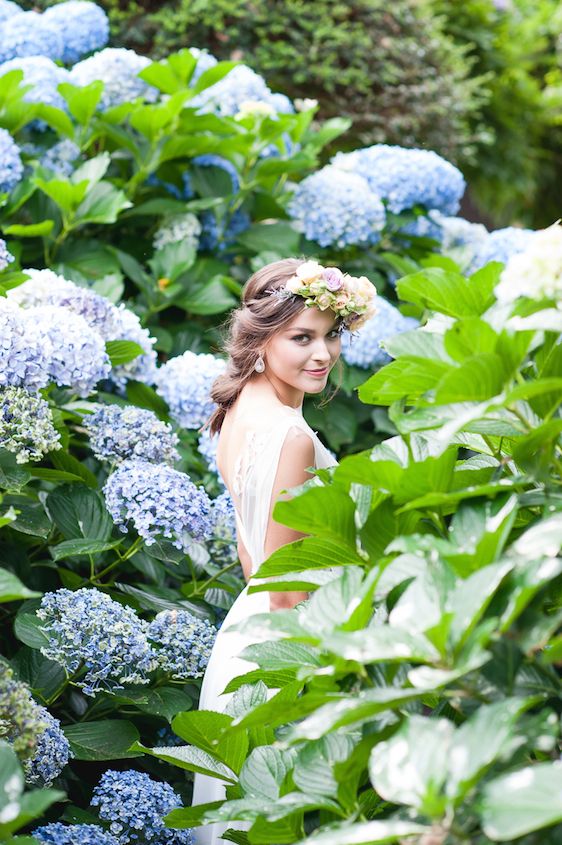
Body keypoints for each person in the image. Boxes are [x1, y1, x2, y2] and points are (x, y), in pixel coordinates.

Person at [192, 257, 377, 844]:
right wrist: (325, 679)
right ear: (263, 338)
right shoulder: (291, 436)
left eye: (331, 336)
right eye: (303, 338)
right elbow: (281, 578)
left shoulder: (237, 410)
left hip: (244, 640)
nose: (322, 354)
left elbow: (253, 559)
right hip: (283, 652)